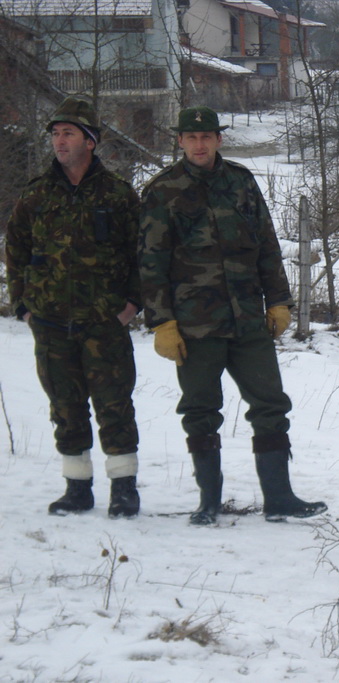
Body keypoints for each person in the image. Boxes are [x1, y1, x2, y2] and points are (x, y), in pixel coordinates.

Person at [138, 106, 326, 525]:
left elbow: (266, 244)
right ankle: (209, 501)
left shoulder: (241, 182)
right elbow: (151, 263)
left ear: (219, 140)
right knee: (201, 411)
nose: (200, 144)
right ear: (181, 141)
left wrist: (279, 301)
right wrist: (162, 322)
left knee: (271, 405)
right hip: (195, 324)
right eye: (191, 137)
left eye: (207, 137)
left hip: (247, 320)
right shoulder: (163, 191)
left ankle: (279, 498)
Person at [5, 95, 142, 518]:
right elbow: (16, 249)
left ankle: (123, 487)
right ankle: (77, 487)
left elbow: (142, 253)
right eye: (55, 134)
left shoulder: (118, 195)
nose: (59, 141)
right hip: (50, 321)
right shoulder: (37, 194)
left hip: (104, 321)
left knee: (114, 402)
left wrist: (133, 304)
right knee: (64, 405)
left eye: (68, 133)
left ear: (91, 141)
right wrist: (23, 306)